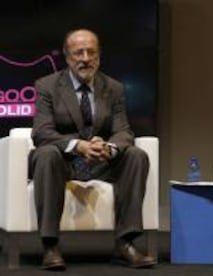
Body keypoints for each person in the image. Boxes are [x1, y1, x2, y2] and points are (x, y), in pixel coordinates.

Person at [29, 29, 156, 270]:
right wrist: (79, 145)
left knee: (135, 154)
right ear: (67, 57)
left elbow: (123, 130)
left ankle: (125, 243)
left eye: (91, 52)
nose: (85, 58)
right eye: (79, 52)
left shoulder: (114, 88)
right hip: (62, 163)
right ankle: (50, 246)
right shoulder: (47, 86)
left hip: (100, 162)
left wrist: (109, 147)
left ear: (99, 56)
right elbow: (42, 132)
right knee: (45, 153)